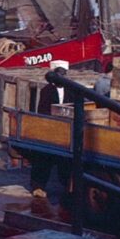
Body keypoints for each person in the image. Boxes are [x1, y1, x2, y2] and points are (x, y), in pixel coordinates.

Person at [30, 60, 71, 197]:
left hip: (65, 130)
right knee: (44, 159)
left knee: (65, 161)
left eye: (63, 74)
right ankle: (38, 186)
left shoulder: (71, 91)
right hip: (49, 128)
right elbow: (42, 109)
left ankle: (66, 186)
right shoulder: (46, 90)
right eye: (59, 74)